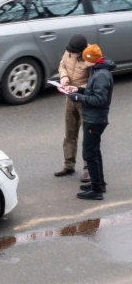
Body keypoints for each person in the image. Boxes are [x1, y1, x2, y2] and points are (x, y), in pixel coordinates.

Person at [68, 45, 115, 200]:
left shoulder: (101, 75)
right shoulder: (98, 70)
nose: (82, 61)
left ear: (91, 60)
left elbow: (100, 99)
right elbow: (93, 92)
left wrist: (80, 98)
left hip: (95, 120)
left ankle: (96, 191)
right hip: (94, 118)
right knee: (95, 150)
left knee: (89, 153)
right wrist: (78, 91)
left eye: (84, 58)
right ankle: (99, 183)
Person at [56, 34, 91, 182]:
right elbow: (62, 65)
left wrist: (79, 88)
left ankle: (88, 170)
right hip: (70, 98)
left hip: (84, 100)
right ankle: (68, 165)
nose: (71, 54)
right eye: (70, 51)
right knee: (69, 133)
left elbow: (94, 82)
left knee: (88, 137)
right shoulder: (69, 51)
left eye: (74, 52)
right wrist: (64, 77)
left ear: (82, 51)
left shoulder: (91, 58)